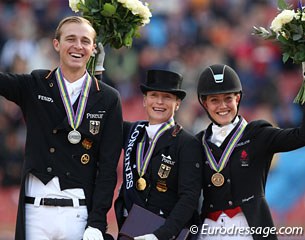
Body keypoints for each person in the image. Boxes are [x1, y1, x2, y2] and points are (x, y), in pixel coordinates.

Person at [0, 16, 123, 240]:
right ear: (56, 44)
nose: (78, 46)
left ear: (93, 49)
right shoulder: (35, 84)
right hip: (34, 213)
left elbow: (107, 169)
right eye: (70, 39)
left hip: (77, 215)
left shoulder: (107, 98)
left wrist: (97, 222)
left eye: (85, 41)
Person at [195, 64, 305, 240]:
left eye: (228, 98)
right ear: (204, 103)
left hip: (250, 230)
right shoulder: (196, 144)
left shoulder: (258, 134)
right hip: (209, 232)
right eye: (214, 100)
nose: (223, 106)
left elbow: (300, 136)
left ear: (237, 99)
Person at [115, 69, 203, 240]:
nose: (159, 102)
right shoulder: (131, 131)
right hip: (129, 230)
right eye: (154, 95)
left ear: (177, 103)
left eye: (167, 97)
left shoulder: (187, 143)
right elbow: (102, 114)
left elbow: (189, 198)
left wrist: (159, 235)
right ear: (144, 100)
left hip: (166, 234)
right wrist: (96, 72)